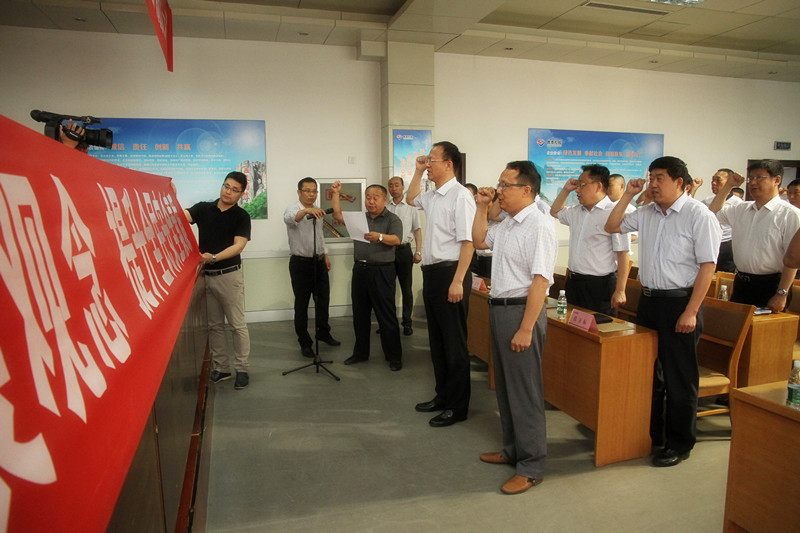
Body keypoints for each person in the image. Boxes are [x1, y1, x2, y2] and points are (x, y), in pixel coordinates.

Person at [605, 156, 720, 467]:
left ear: (680, 182)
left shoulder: (699, 215)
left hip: (681, 303)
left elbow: (708, 267)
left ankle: (680, 443)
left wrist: (691, 311)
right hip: (650, 302)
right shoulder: (646, 212)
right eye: (650, 178)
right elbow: (612, 225)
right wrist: (629, 195)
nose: (653, 184)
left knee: (679, 377)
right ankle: (652, 435)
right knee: (647, 374)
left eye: (659, 178)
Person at [472, 160, 556, 495]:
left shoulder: (540, 224)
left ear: (527, 189)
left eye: (505, 185)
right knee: (506, 389)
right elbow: (479, 240)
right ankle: (512, 450)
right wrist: (482, 207)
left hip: (522, 312)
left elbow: (541, 281)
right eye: (499, 184)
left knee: (525, 392)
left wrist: (526, 328)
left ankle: (532, 466)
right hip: (500, 310)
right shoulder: (508, 222)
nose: (499, 191)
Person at [406, 141, 475, 428]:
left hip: (451, 274)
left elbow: (468, 242)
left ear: (449, 164)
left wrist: (458, 281)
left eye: (431, 160)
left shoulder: (461, 196)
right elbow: (411, 198)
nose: (428, 164)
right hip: (433, 274)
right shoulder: (433, 195)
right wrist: (417, 171)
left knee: (454, 344)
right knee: (437, 341)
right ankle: (442, 395)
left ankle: (457, 407)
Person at [184, 171, 253, 390]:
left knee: (237, 325)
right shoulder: (204, 208)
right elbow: (181, 217)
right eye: (226, 186)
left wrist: (213, 257)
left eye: (234, 190)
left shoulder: (241, 216)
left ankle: (242, 369)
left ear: (241, 194)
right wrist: (170, 196)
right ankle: (222, 368)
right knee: (214, 326)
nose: (228, 192)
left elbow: (239, 245)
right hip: (206, 277)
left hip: (229, 276)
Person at [330, 181, 404, 370]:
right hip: (360, 270)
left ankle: (394, 356)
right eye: (368, 198)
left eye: (375, 198)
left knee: (386, 315)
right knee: (360, 314)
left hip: (382, 271)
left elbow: (397, 239)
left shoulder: (392, 219)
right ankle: (361, 353)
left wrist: (380, 237)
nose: (371, 201)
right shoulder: (360, 218)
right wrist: (336, 193)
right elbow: (337, 215)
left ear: (384, 200)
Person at [708, 160, 800, 311]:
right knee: (736, 325)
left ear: (777, 180)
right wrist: (729, 186)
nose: (753, 183)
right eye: (751, 178)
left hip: (771, 285)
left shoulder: (790, 214)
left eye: (759, 178)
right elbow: (713, 212)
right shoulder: (741, 209)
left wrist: (782, 293)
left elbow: (792, 260)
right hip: (741, 283)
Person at [550, 164, 629, 316]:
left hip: (600, 286)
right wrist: (566, 190)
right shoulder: (576, 212)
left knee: (598, 327)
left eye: (582, 185)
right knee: (570, 325)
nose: (577, 190)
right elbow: (554, 212)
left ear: (598, 186)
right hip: (573, 282)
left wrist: (620, 290)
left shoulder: (614, 213)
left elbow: (623, 253)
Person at [283, 177, 340, 359]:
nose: (311, 194)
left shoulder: (318, 210)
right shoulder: (293, 209)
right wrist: (307, 210)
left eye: (314, 191)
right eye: (307, 191)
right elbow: (291, 219)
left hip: (319, 262)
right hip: (300, 264)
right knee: (302, 304)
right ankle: (304, 342)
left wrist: (325, 255)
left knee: (323, 300)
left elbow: (319, 236)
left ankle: (323, 332)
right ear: (299, 192)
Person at [386, 176, 423, 336]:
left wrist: (418, 251)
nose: (393, 188)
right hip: (387, 251)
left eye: (396, 185)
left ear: (403, 187)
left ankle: (407, 322)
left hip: (404, 251)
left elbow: (417, 230)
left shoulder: (411, 206)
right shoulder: (385, 206)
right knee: (387, 288)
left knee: (406, 288)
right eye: (391, 185)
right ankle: (388, 322)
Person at [700, 168, 743, 273]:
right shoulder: (708, 200)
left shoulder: (737, 203)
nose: (714, 183)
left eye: (718, 180)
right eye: (712, 180)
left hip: (726, 245)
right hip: (709, 242)